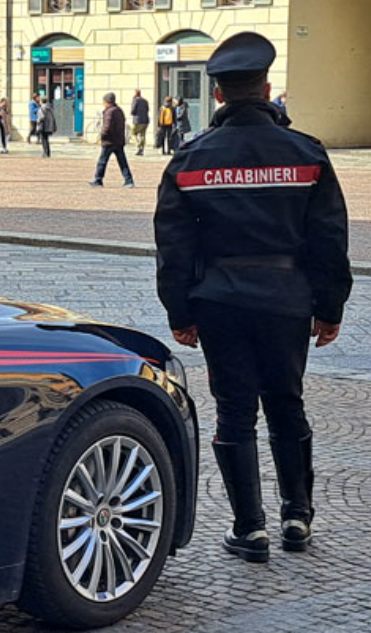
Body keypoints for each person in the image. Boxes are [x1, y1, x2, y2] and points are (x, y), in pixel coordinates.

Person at [154, 32, 352, 563]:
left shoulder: (191, 158)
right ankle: (297, 517)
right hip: (288, 298)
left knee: (234, 410)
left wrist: (180, 311)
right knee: (287, 404)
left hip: (220, 300)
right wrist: (330, 307)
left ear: (217, 94)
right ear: (266, 87)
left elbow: (173, 244)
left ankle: (251, 528)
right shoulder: (306, 153)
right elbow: (330, 237)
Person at [89, 92, 134, 188]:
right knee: (122, 161)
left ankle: (98, 180)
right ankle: (128, 180)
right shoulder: (119, 110)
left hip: (109, 141)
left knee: (102, 161)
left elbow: (107, 126)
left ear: (106, 102)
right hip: (118, 140)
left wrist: (102, 135)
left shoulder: (109, 111)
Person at [131, 88, 150, 156]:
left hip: (138, 121)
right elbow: (148, 109)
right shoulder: (145, 101)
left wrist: (133, 113)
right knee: (143, 135)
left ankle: (138, 145)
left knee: (133, 133)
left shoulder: (135, 100)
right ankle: (141, 150)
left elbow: (133, 110)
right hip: (145, 120)